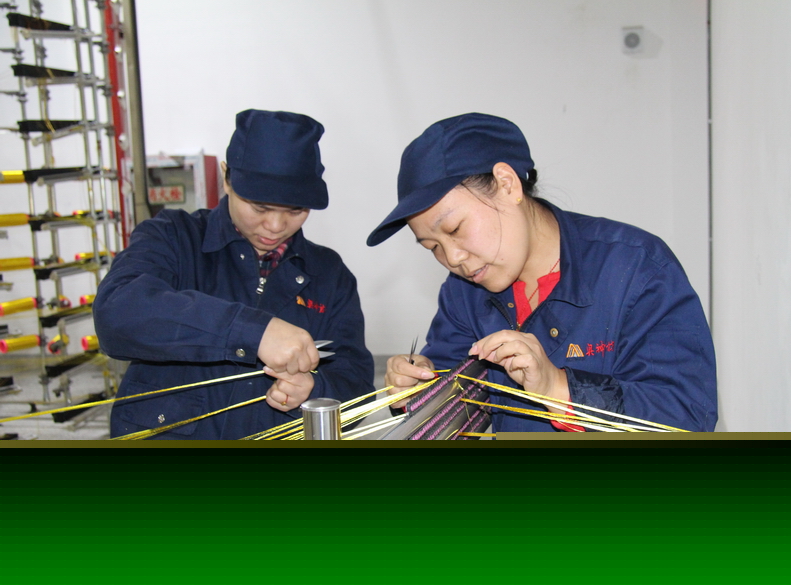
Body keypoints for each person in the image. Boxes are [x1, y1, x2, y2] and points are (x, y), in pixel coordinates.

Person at [367, 113, 717, 432]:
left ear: (507, 184)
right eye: (432, 247)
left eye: (456, 229)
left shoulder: (634, 268)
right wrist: (417, 394)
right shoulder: (465, 291)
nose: (453, 258)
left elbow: (688, 416)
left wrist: (558, 388)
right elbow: (452, 407)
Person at [94, 109, 374, 439]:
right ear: (226, 178)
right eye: (259, 207)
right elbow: (116, 313)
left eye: (296, 210)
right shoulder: (173, 237)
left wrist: (315, 389)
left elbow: (356, 385)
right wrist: (253, 331)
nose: (275, 226)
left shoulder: (328, 274)